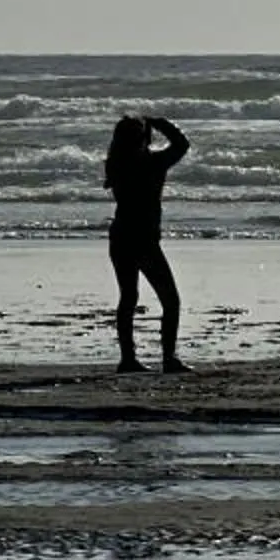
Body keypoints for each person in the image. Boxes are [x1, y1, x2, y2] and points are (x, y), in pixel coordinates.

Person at [102, 113, 189, 374]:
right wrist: (160, 122)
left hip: (120, 236)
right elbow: (182, 144)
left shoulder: (115, 164)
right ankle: (168, 358)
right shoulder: (153, 163)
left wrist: (148, 128)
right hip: (144, 240)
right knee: (170, 300)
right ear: (143, 139)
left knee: (128, 297)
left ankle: (128, 359)